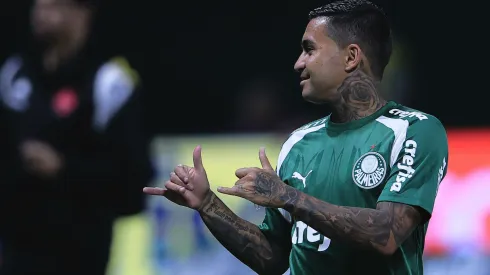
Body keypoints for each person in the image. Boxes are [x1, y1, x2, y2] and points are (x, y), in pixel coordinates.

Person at [144, 0, 448, 274]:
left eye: (310, 49)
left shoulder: (416, 130)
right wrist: (208, 204)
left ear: (351, 57)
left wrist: (289, 197)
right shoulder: (298, 143)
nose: (298, 63)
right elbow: (274, 258)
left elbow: (387, 233)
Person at [0, 0, 153, 274]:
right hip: (17, 249)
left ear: (83, 13)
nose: (41, 15)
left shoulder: (109, 83)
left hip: (80, 250)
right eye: (38, 6)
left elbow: (133, 179)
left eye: (53, 7)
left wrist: (63, 168)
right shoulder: (15, 75)